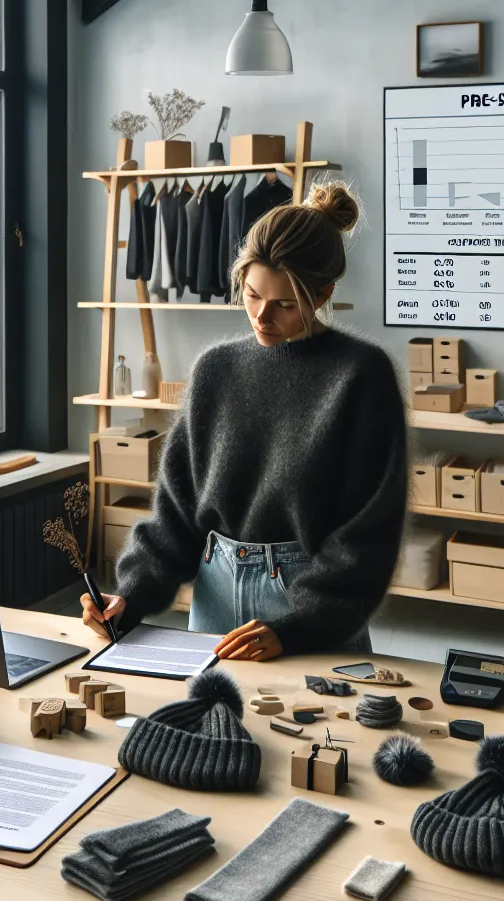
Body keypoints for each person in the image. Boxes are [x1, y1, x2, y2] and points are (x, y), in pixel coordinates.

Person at [82, 182, 409, 660]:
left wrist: (299, 627)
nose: (261, 316)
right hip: (214, 598)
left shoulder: (361, 375)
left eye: (284, 305)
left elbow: (368, 534)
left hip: (309, 606)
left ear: (323, 294)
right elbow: (176, 510)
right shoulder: (214, 370)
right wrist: (129, 598)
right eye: (252, 294)